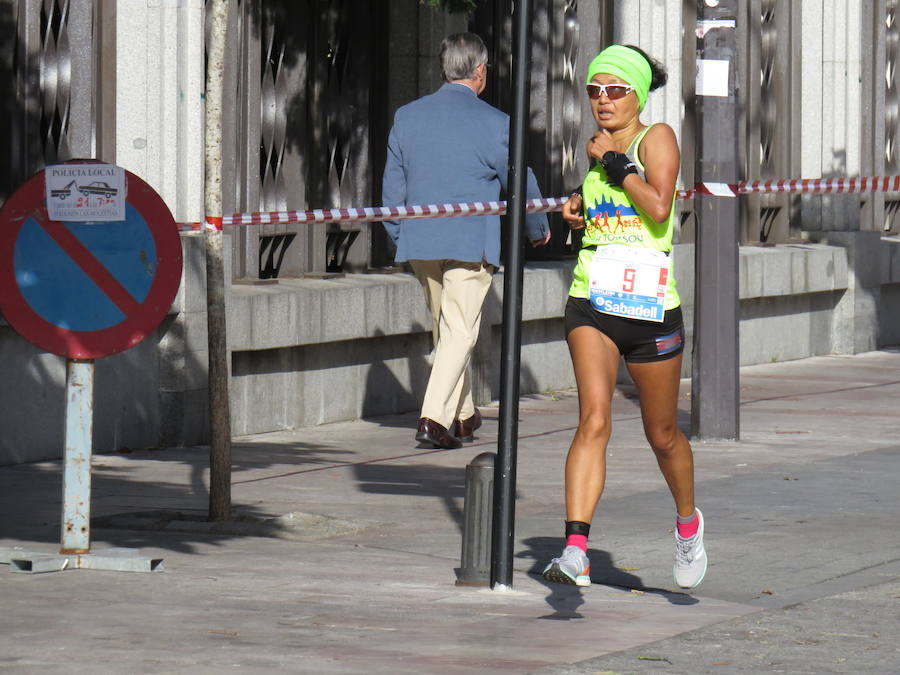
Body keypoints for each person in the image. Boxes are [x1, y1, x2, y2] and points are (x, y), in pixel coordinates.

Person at [541, 44, 707, 589]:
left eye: (615, 90)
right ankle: (575, 548)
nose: (603, 100)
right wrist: (577, 206)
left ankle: (687, 524)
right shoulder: (593, 150)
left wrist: (614, 164)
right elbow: (608, 211)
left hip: (651, 309)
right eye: (594, 90)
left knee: (662, 435)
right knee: (593, 419)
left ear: (637, 95)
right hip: (593, 300)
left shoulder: (653, 138)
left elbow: (658, 208)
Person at [382, 32, 551, 450]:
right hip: (469, 242)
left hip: (420, 240)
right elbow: (519, 178)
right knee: (460, 331)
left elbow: (392, 188)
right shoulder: (495, 123)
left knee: (449, 329)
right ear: (480, 71)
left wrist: (400, 233)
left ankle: (463, 415)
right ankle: (433, 418)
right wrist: (538, 226)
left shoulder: (407, 116)